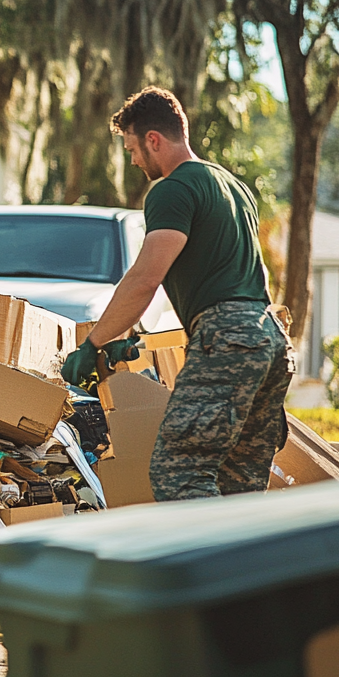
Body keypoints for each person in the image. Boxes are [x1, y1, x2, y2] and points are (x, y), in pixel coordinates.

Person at [61, 86, 294, 501]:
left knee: (179, 470)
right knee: (240, 485)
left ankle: (199, 564)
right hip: (269, 339)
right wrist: (133, 336)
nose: (133, 160)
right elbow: (233, 278)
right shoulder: (233, 188)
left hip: (228, 339)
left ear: (154, 139)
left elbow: (145, 278)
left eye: (133, 148)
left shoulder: (172, 190)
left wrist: (94, 341)